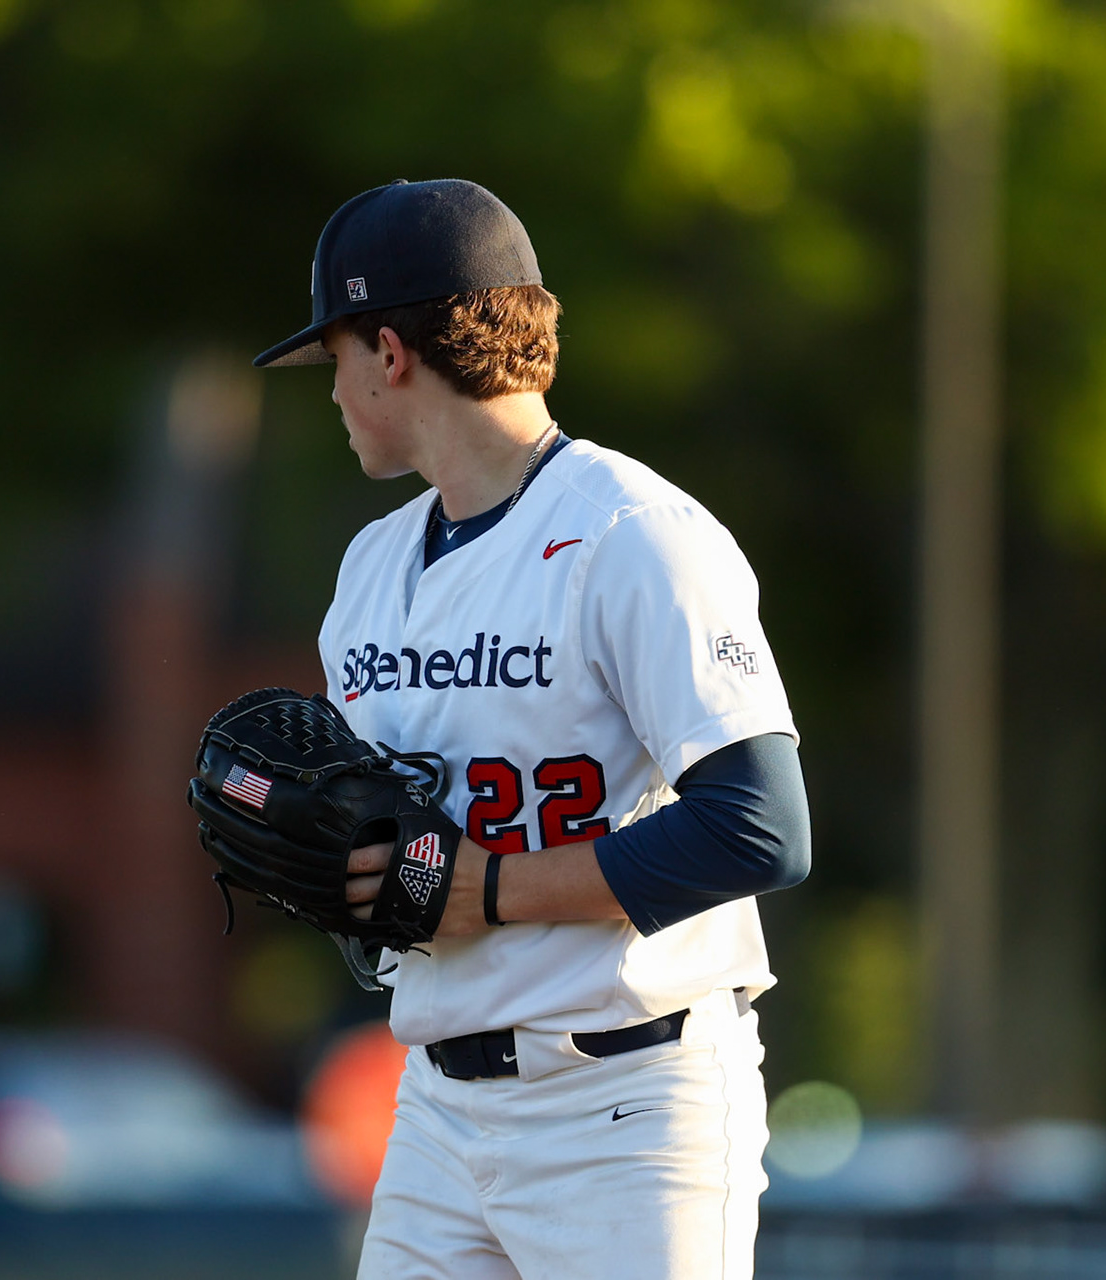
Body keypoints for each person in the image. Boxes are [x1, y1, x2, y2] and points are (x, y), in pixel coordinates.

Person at [252, 178, 811, 1280]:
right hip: (439, 1108)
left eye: (336, 360)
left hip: (631, 1104)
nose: (334, 393)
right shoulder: (371, 569)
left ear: (391, 351)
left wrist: (490, 886)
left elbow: (759, 827)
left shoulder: (634, 533)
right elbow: (404, 849)